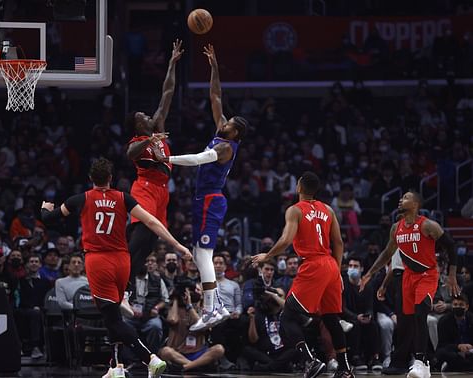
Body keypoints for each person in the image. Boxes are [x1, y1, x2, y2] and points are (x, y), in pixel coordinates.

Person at [40, 157, 191, 378]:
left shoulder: (78, 199)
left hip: (99, 262)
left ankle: (150, 358)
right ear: (111, 178)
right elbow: (152, 222)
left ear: (91, 178)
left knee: (112, 319)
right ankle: (116, 366)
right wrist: (177, 245)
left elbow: (49, 219)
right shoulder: (124, 198)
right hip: (122, 261)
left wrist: (45, 209)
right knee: (113, 316)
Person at [153, 44, 248, 332]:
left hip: (211, 200)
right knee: (198, 254)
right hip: (204, 199)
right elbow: (216, 96)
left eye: (230, 124)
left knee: (204, 255)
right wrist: (214, 66)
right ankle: (214, 303)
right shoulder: (222, 132)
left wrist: (166, 158)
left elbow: (196, 159)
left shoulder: (225, 147)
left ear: (236, 133)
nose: (225, 122)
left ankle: (212, 307)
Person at [252, 171, 354, 378]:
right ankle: (344, 369)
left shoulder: (294, 210)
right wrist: (337, 269)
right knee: (331, 318)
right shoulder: (328, 210)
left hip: (314, 264)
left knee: (287, 317)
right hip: (332, 265)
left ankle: (310, 361)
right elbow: (339, 242)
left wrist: (267, 255)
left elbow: (286, 239)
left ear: (299, 187)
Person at [360, 191, 460, 378]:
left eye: (406, 197)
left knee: (421, 313)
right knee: (409, 320)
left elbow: (451, 246)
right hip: (408, 277)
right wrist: (369, 274)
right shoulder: (396, 228)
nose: (401, 200)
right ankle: (415, 361)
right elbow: (386, 254)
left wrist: (452, 275)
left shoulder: (428, 225)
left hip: (427, 275)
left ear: (415, 204)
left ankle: (421, 362)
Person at [125, 39, 183, 281]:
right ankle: (118, 271)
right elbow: (130, 155)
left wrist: (171, 63)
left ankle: (126, 283)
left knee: (149, 243)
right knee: (140, 237)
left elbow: (167, 93)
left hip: (162, 192)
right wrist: (150, 141)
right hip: (145, 189)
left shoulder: (157, 126)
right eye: (144, 116)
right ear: (139, 124)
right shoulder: (138, 140)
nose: (149, 115)